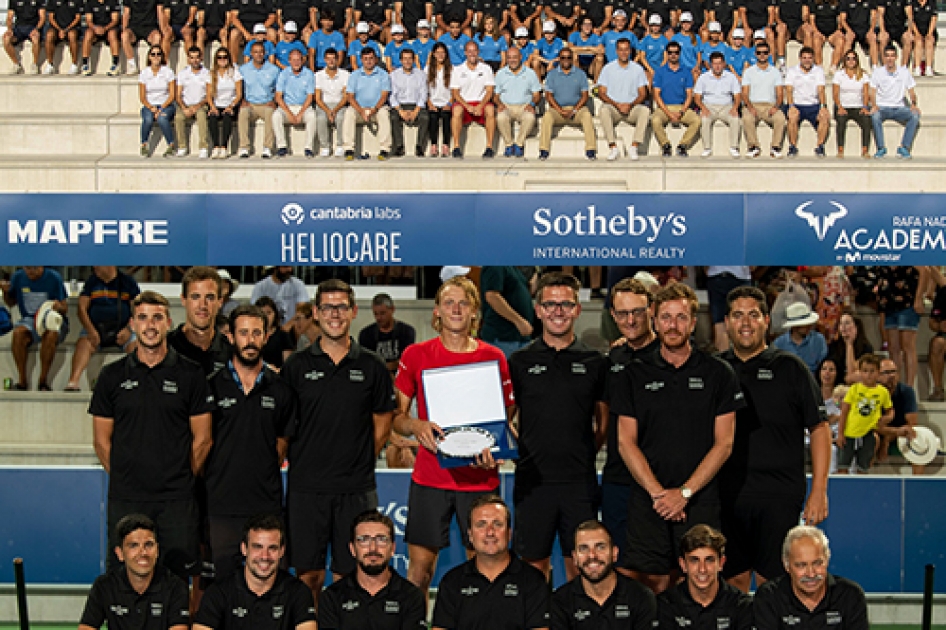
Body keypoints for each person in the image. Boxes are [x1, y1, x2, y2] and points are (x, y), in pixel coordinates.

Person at [609, 282, 744, 594]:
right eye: (666, 318)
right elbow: (624, 442)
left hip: (701, 499)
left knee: (698, 582)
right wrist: (659, 495)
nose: (673, 325)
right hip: (647, 499)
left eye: (681, 317)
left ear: (693, 322)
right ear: (655, 321)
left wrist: (683, 493)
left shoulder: (718, 373)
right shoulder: (633, 373)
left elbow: (724, 443)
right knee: (650, 585)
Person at [392, 276, 515, 601]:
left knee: (486, 572)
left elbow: (506, 414)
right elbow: (397, 419)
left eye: (464, 303)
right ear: (437, 310)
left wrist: (496, 446)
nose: (456, 309)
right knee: (419, 572)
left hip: (480, 479)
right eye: (449, 302)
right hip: (431, 478)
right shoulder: (416, 355)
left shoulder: (495, 358)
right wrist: (417, 426)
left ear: (475, 311)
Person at [280, 279, 395, 606]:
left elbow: (383, 422)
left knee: (350, 580)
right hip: (307, 488)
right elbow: (285, 428)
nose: (335, 314)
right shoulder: (296, 366)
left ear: (354, 312)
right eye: (327, 307)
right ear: (315, 312)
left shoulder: (371, 365)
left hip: (355, 489)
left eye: (342, 307)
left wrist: (357, 460)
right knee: (309, 578)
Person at [90, 291, 214, 575]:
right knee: (124, 580)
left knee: (178, 579)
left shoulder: (191, 374)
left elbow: (204, 439)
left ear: (168, 322)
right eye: (143, 318)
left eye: (157, 317)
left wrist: (179, 478)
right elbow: (100, 441)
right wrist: (127, 477)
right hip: (127, 498)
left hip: (177, 501)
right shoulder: (111, 376)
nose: (150, 325)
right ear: (132, 324)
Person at [719, 286, 830, 593]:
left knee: (775, 587)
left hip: (779, 496)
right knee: (733, 584)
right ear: (726, 321)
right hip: (726, 495)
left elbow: (819, 429)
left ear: (766, 321)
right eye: (738, 315)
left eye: (753, 315)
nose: (745, 323)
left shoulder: (790, 368)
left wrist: (819, 489)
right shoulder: (715, 370)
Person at [509, 272, 609, 581]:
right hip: (532, 482)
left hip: (579, 483)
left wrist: (581, 453)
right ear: (537, 309)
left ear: (578, 309)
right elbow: (505, 416)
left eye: (566, 304)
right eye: (550, 304)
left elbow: (603, 422)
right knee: (532, 570)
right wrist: (523, 446)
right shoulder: (519, 361)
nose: (558, 311)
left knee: (580, 569)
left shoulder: (595, 361)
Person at [204, 305, 295, 583]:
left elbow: (282, 446)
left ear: (266, 337)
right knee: (217, 588)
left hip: (265, 505)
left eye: (257, 332)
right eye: (243, 333)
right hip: (220, 506)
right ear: (230, 336)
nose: (250, 340)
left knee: (268, 586)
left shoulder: (281, 388)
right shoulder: (210, 386)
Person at [601, 278, 658, 561]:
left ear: (652, 310)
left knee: (663, 570)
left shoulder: (671, 355)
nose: (631, 320)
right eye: (623, 313)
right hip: (618, 479)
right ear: (613, 315)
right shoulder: (613, 357)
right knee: (620, 563)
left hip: (660, 480)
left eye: (638, 311)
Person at [431, 495, 550, 630]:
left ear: (509, 533)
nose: (490, 532)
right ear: (470, 535)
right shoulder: (452, 581)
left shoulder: (533, 580)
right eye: (481, 525)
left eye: (497, 524)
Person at [194, 514, 317, 630]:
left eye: (272, 548)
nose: (264, 556)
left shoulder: (298, 592)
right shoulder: (218, 593)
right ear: (244, 549)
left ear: (282, 551)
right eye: (257, 547)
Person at [318, 511, 427, 630]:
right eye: (364, 540)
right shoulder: (331, 597)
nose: (373, 548)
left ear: (393, 548)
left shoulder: (412, 596)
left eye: (381, 539)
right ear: (352, 549)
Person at [79, 514, 190, 630]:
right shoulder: (104, 585)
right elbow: (86, 627)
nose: (143, 553)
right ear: (120, 553)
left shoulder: (175, 587)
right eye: (133, 546)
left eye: (149, 545)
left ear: (157, 550)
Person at [753, 526, 869, 629]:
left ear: (827, 560)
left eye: (817, 563)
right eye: (801, 565)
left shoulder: (850, 595)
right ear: (786, 565)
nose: (811, 574)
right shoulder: (769, 596)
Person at [551, 520, 656, 630]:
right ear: (575, 558)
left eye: (600, 547)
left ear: (614, 553)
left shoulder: (640, 596)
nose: (592, 555)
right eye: (584, 548)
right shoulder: (560, 601)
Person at [655, 525, 753, 629]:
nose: (702, 569)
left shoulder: (742, 606)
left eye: (709, 560)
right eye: (694, 560)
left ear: (721, 563)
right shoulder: (665, 605)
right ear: (683, 565)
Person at [65, 266, 140, 392]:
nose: (94, 267)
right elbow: (81, 309)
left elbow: (138, 309)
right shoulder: (92, 282)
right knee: (83, 344)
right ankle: (73, 381)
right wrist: (90, 330)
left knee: (137, 347)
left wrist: (128, 328)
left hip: (122, 329)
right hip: (95, 329)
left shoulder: (127, 282)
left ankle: (137, 382)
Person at [1, 266, 69, 391]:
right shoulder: (18, 277)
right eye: (28, 268)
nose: (31, 272)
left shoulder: (54, 278)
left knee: (51, 334)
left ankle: (43, 380)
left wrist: (58, 306)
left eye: (35, 268)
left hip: (50, 318)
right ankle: (22, 380)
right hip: (30, 320)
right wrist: (5, 292)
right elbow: (11, 303)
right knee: (18, 334)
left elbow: (65, 308)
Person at [167, 266, 230, 377]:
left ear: (220, 302)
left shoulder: (232, 353)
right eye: (195, 297)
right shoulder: (165, 347)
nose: (203, 305)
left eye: (210, 297)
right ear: (183, 300)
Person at [837, 352, 893, 473]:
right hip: (849, 433)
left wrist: (887, 417)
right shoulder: (854, 389)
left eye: (872, 371)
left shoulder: (883, 392)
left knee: (863, 467)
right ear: (860, 372)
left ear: (878, 372)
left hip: (868, 433)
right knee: (843, 466)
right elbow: (844, 412)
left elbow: (890, 410)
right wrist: (840, 434)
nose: (868, 375)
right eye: (865, 371)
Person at [597, 38, 650, 161]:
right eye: (621, 50)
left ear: (630, 51)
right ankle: (613, 147)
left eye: (626, 49)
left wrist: (630, 105)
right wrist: (617, 105)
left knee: (645, 111)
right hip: (614, 107)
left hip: (631, 107)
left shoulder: (637, 69)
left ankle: (634, 146)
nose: (623, 53)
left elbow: (643, 94)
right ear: (616, 51)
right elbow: (602, 93)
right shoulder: (608, 68)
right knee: (604, 110)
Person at [539, 46, 596, 160]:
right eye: (563, 57)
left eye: (568, 57)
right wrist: (559, 110)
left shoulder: (580, 74)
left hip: (577, 109)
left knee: (586, 115)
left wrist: (575, 110)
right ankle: (543, 149)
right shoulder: (552, 74)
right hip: (557, 109)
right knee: (547, 116)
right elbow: (548, 96)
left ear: (572, 59)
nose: (566, 60)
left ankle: (591, 149)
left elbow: (585, 95)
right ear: (559, 59)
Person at [876, 266, 926, 387]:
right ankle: (895, 385)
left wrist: (919, 298)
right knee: (893, 347)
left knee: (907, 345)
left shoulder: (906, 249)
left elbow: (925, 271)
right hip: (889, 303)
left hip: (908, 302)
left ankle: (909, 387)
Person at [870, 44, 921, 159]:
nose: (890, 59)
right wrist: (873, 105)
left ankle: (904, 147)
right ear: (883, 58)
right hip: (882, 107)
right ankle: (881, 148)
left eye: (892, 56)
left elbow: (912, 92)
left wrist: (913, 104)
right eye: (887, 56)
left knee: (915, 115)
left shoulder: (904, 72)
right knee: (875, 116)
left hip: (899, 108)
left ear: (896, 57)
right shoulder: (878, 72)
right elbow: (872, 92)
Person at [342, 47, 393, 159]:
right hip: (359, 109)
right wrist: (361, 111)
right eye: (365, 59)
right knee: (349, 113)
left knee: (384, 114)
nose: (368, 61)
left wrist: (374, 109)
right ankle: (349, 149)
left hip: (377, 109)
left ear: (375, 59)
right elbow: (350, 97)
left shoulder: (383, 74)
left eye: (371, 58)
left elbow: (384, 96)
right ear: (361, 60)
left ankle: (384, 149)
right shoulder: (354, 75)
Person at [651, 40, 699, 158]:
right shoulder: (660, 72)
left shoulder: (686, 72)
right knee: (655, 120)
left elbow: (689, 95)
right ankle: (665, 145)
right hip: (664, 107)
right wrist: (668, 113)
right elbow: (657, 95)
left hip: (681, 107)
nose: (673, 55)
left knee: (697, 120)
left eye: (676, 52)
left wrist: (682, 111)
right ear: (666, 54)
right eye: (670, 52)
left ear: (679, 54)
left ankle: (683, 145)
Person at [450, 40, 497, 158]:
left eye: (474, 51)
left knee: (490, 110)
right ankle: (456, 146)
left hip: (481, 102)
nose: (472, 54)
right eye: (469, 51)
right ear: (465, 53)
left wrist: (480, 106)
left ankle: (489, 147)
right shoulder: (458, 69)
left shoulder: (486, 69)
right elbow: (455, 93)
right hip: (465, 103)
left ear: (478, 52)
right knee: (456, 111)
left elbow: (489, 91)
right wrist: (467, 106)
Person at [876, 357, 924, 472]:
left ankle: (917, 485)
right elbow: (872, 424)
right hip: (878, 432)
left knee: (918, 442)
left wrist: (888, 439)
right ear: (877, 376)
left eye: (894, 371)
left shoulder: (906, 391)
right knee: (873, 439)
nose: (891, 376)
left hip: (900, 433)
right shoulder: (872, 392)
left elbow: (912, 422)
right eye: (886, 372)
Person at [495, 46, 542, 158]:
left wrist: (532, 104)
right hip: (506, 105)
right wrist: (499, 104)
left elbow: (536, 94)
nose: (512, 60)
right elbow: (495, 95)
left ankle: (519, 144)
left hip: (524, 106)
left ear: (521, 57)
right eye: (509, 57)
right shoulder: (501, 73)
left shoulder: (530, 73)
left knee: (530, 117)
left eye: (515, 57)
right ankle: (509, 144)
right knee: (501, 117)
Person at [741, 42, 786, 159]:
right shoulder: (749, 72)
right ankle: (753, 146)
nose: (762, 55)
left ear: (769, 54)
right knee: (747, 117)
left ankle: (775, 147)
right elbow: (744, 93)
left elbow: (780, 93)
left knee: (780, 118)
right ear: (755, 54)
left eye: (765, 53)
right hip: (753, 104)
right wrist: (750, 107)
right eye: (759, 53)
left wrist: (776, 106)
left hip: (770, 105)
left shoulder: (775, 72)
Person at [694, 51, 741, 158]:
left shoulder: (731, 77)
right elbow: (697, 97)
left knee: (735, 119)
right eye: (715, 63)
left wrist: (735, 107)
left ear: (724, 64)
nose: (717, 66)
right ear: (710, 64)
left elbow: (737, 95)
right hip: (709, 106)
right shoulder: (703, 77)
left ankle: (734, 147)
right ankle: (707, 148)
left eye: (719, 63)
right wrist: (703, 108)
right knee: (705, 119)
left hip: (726, 106)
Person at [237, 40, 280, 158]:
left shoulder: (274, 70)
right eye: (255, 52)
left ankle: (267, 147)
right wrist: (242, 100)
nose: (258, 55)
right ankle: (244, 147)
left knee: (271, 113)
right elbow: (238, 88)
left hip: (266, 103)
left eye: (261, 52)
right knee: (243, 112)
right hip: (250, 103)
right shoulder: (243, 70)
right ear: (251, 53)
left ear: (265, 53)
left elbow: (279, 89)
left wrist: (274, 101)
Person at [785, 45, 829, 157]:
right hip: (797, 104)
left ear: (813, 58)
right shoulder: (792, 71)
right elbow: (789, 90)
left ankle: (820, 146)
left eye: (809, 58)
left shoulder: (818, 71)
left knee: (824, 117)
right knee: (792, 117)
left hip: (813, 105)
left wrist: (823, 106)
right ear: (800, 58)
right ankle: (793, 146)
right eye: (804, 58)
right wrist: (791, 106)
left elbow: (821, 90)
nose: (807, 60)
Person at [479, 266, 534, 357]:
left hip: (518, 337)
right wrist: (519, 321)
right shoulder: (495, 265)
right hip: (503, 337)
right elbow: (492, 296)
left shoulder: (512, 267)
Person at [358, 292, 417, 375]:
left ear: (392, 309)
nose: (379, 318)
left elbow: (405, 362)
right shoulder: (366, 334)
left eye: (382, 313)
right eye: (376, 314)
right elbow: (366, 363)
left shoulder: (406, 331)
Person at [273, 49, 317, 157]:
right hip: (287, 107)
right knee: (276, 116)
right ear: (289, 61)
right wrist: (289, 114)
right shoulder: (283, 74)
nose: (296, 63)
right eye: (294, 60)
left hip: (304, 107)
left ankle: (308, 148)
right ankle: (282, 146)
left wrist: (300, 114)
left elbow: (310, 97)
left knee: (312, 116)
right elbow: (278, 97)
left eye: (298, 60)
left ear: (302, 61)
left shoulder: (309, 74)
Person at [389, 48, 430, 157]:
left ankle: (420, 146)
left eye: (409, 59)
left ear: (413, 60)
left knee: (425, 117)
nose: (407, 61)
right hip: (400, 104)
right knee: (393, 117)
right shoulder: (394, 75)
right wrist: (400, 110)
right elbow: (392, 95)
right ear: (401, 60)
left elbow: (423, 94)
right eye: (405, 59)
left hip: (416, 104)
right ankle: (399, 146)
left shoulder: (421, 75)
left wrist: (416, 110)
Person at [138, 45, 178, 158]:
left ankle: (171, 145)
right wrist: (151, 108)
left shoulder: (168, 72)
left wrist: (161, 108)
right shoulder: (144, 73)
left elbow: (172, 95)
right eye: (153, 54)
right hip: (149, 105)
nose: (156, 57)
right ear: (149, 57)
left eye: (158, 54)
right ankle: (144, 144)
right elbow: (142, 97)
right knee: (148, 119)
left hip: (166, 104)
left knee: (162, 118)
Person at [833, 50, 872, 158]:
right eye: (848, 58)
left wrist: (865, 107)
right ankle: (840, 149)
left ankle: (865, 149)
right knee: (840, 120)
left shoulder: (863, 75)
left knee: (866, 120)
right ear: (844, 61)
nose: (851, 61)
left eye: (853, 58)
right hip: (843, 105)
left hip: (857, 106)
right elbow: (835, 94)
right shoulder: (839, 74)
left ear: (857, 60)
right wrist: (839, 107)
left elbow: (865, 93)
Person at [175, 46, 211, 159]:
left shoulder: (207, 73)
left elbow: (209, 95)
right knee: (178, 118)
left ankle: (203, 147)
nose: (195, 60)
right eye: (192, 58)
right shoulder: (182, 73)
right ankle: (182, 146)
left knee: (201, 115)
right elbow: (178, 95)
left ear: (201, 58)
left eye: (197, 57)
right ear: (188, 59)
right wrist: (184, 107)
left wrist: (197, 106)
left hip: (202, 104)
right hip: (185, 104)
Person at [772, 302, 828, 373]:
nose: (809, 325)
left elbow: (824, 367)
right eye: (804, 324)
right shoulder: (779, 344)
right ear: (795, 326)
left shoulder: (818, 340)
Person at [208, 47, 243, 159]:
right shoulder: (212, 74)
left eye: (225, 57)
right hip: (217, 103)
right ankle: (215, 146)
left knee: (227, 116)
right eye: (220, 57)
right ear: (216, 59)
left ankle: (224, 146)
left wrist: (231, 106)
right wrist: (212, 107)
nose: (222, 60)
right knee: (212, 116)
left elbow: (239, 94)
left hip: (231, 103)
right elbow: (208, 95)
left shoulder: (234, 72)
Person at [314, 47, 349, 157]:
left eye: (333, 58)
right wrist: (328, 111)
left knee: (341, 117)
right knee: (321, 118)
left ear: (337, 59)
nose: (331, 61)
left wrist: (335, 109)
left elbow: (345, 97)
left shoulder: (345, 74)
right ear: (324, 60)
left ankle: (340, 145)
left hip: (340, 104)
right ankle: (325, 146)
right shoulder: (318, 75)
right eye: (328, 59)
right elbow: (318, 98)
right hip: (324, 104)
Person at [826, 312, 874, 384]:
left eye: (847, 323)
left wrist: (849, 344)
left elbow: (852, 374)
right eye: (841, 323)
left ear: (856, 327)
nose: (843, 326)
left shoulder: (866, 348)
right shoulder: (833, 346)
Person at [426, 41, 453, 157]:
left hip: (447, 102)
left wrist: (450, 103)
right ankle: (433, 145)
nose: (440, 55)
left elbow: (455, 90)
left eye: (443, 52)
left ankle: (445, 145)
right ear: (433, 54)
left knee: (446, 117)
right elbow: (424, 90)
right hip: (433, 102)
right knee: (432, 117)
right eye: (438, 53)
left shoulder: (452, 69)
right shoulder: (427, 69)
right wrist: (429, 103)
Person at [121, 0, 163, 75]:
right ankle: (132, 65)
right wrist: (124, 29)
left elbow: (160, 12)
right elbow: (126, 13)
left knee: (157, 37)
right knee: (124, 35)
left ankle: (153, 64)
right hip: (134, 27)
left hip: (150, 26)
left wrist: (163, 29)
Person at [3, 0, 44, 74]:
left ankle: (34, 64)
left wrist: (36, 29)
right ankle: (16, 64)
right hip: (18, 28)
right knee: (6, 38)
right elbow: (9, 17)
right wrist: (9, 29)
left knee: (35, 38)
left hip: (33, 27)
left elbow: (42, 18)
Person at [81, 0, 121, 76]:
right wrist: (95, 28)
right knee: (88, 34)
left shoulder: (113, 2)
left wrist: (105, 28)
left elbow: (115, 20)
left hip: (109, 27)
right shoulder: (90, 3)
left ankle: (115, 64)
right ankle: (85, 64)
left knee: (112, 34)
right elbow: (89, 20)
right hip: (95, 28)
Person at [42, 0, 81, 75]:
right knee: (49, 35)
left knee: (72, 35)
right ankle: (50, 64)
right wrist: (60, 30)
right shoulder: (52, 1)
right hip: (56, 27)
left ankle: (74, 64)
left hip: (71, 27)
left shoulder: (77, 1)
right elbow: (51, 18)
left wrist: (66, 30)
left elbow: (77, 18)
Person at [255, 296, 295, 368]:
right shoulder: (252, 336)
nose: (266, 317)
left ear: (275, 314)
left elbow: (288, 364)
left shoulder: (283, 336)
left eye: (269, 313)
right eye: (262, 313)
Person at [928, 266, 946, 401]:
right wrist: (940, 326)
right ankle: (938, 389)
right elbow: (932, 323)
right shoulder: (943, 292)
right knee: (937, 343)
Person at [809, 0, 845, 69]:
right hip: (819, 32)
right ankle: (819, 67)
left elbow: (840, 19)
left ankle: (833, 67)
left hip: (833, 33)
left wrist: (838, 30)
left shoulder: (837, 3)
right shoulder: (814, 3)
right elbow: (812, 21)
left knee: (840, 40)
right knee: (816, 41)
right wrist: (816, 32)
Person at [774, 0, 810, 67]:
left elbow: (805, 13)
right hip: (785, 28)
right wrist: (780, 23)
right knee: (781, 29)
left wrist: (805, 18)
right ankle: (782, 64)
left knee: (807, 30)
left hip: (798, 27)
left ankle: (807, 62)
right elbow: (776, 14)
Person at [568, 16, 604, 80]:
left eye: (589, 25)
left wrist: (579, 49)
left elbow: (601, 50)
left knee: (600, 57)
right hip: (579, 64)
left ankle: (596, 84)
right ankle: (577, 81)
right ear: (581, 26)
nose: (587, 27)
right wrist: (588, 48)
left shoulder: (595, 37)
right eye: (585, 24)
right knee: (574, 55)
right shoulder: (574, 35)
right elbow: (570, 48)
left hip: (591, 66)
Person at [911, 0, 936, 76]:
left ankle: (928, 68)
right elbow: (910, 20)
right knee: (918, 41)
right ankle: (917, 68)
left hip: (929, 30)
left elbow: (934, 19)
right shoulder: (912, 3)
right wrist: (917, 33)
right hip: (916, 30)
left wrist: (929, 33)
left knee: (929, 41)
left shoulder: (931, 2)